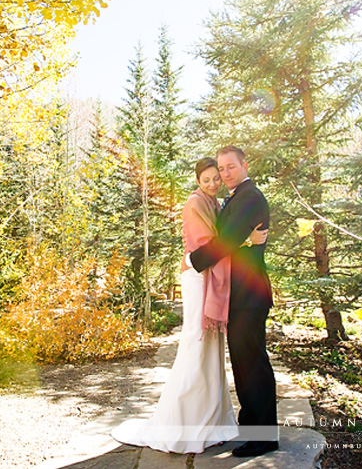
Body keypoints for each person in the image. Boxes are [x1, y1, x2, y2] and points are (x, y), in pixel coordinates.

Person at [110, 157, 267, 454]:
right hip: (198, 278)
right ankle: (184, 422)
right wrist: (244, 242)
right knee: (196, 344)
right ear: (198, 180)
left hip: (210, 278)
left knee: (211, 350)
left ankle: (212, 422)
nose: (214, 182)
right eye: (208, 178)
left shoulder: (219, 202)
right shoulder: (196, 202)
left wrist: (243, 240)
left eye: (217, 176)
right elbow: (215, 243)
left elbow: (225, 238)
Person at [187, 145, 278, 458]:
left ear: (244, 164)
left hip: (249, 295)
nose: (225, 174)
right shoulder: (236, 196)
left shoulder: (250, 197)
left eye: (230, 167)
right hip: (238, 294)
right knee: (242, 363)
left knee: (253, 363)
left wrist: (192, 259)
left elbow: (224, 242)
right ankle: (251, 427)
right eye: (221, 169)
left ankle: (265, 437)